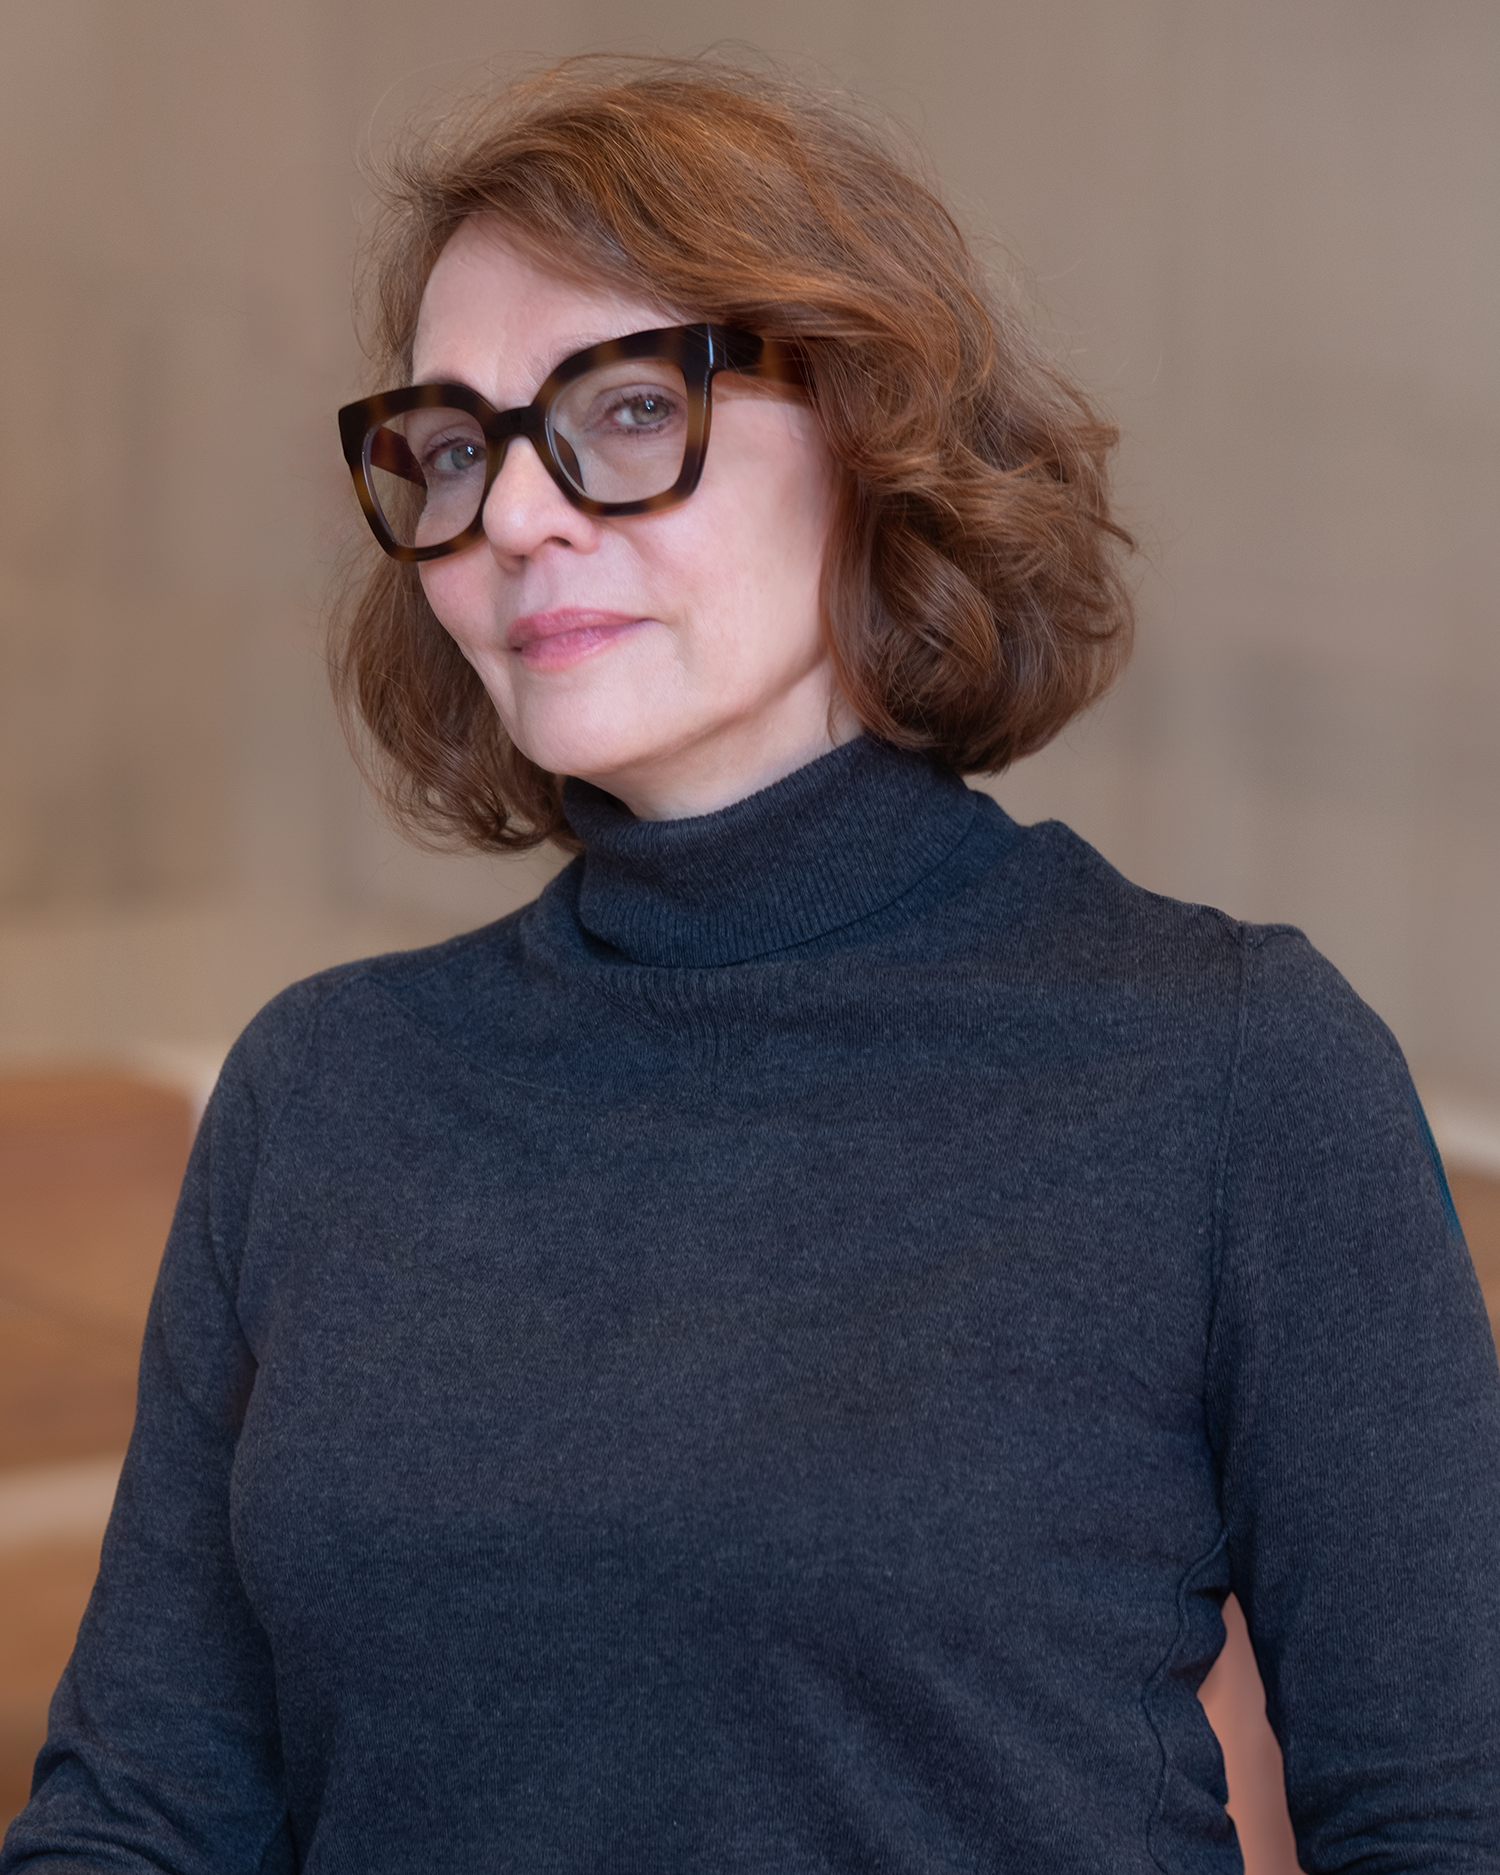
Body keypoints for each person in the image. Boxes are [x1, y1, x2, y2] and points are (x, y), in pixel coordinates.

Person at [6, 56, 1499, 1875]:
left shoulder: (1232, 1062)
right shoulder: (322, 1087)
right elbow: (142, 1815)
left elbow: (1443, 1816)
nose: (520, 514)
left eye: (629, 409)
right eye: (458, 447)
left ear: (878, 434)